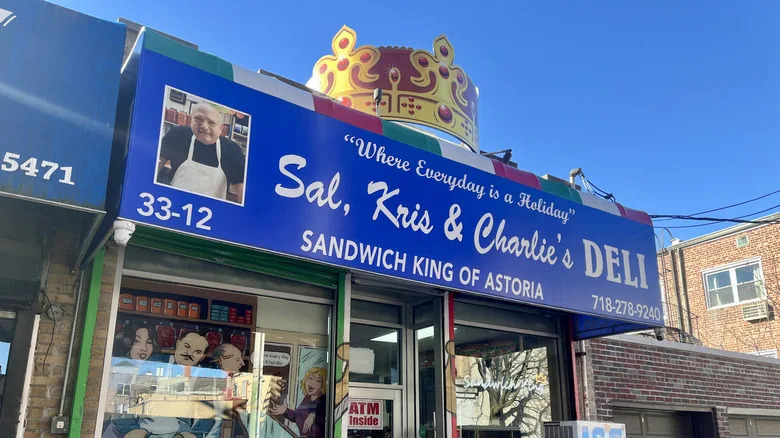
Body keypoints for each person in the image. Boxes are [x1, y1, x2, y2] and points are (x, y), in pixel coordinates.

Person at [158, 102, 246, 203]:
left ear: (220, 128)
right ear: (191, 121)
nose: (204, 126)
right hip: (174, 204)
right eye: (198, 119)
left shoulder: (232, 150)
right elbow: (154, 167)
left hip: (212, 211)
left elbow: (242, 194)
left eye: (211, 123)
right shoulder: (177, 136)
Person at [269, 367, 327, 437]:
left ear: (323, 385)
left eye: (318, 380)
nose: (312, 382)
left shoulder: (325, 400)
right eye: (310, 378)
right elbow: (297, 416)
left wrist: (313, 415)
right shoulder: (307, 399)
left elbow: (325, 413)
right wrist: (285, 411)